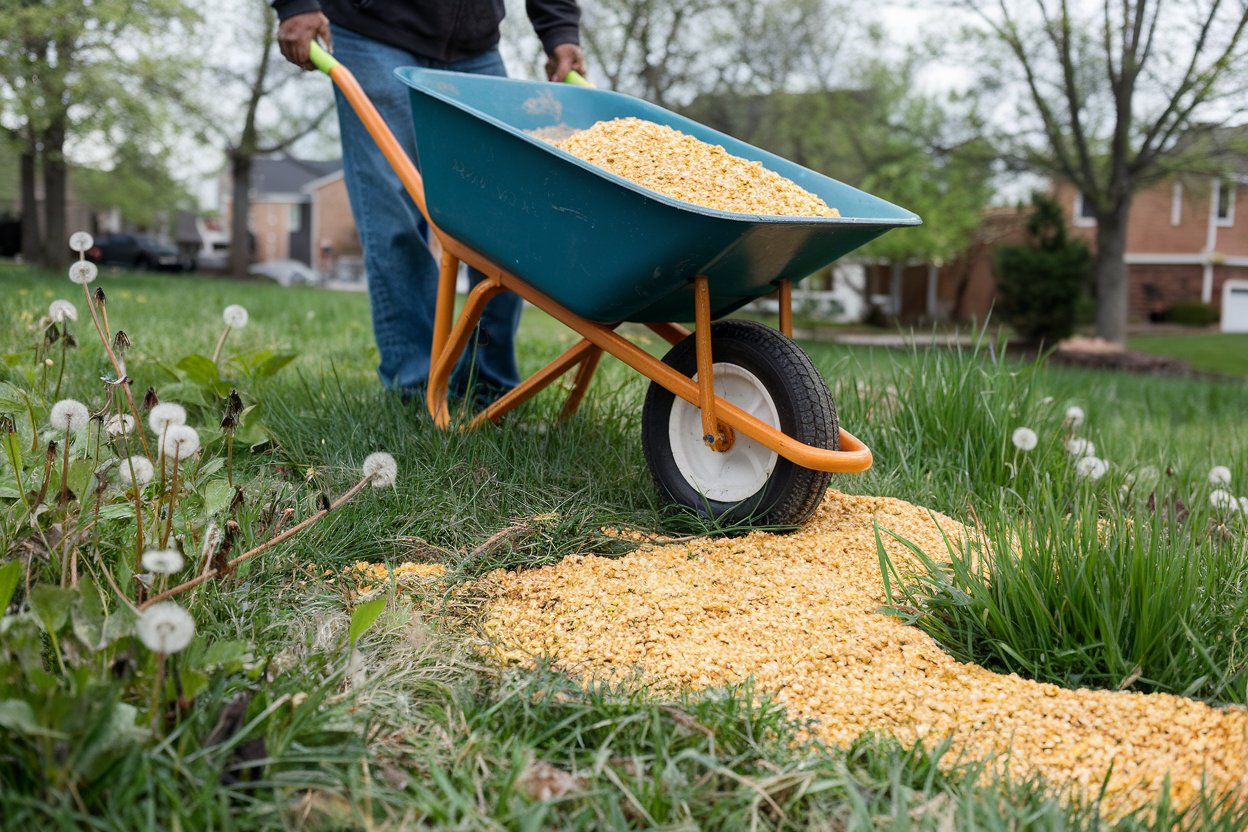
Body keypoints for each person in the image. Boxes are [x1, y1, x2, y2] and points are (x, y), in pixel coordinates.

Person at [273, 0, 586, 406]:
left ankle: (486, 387)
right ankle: (416, 387)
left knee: (507, 217)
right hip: (373, 29)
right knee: (393, 211)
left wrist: (560, 32)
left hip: (475, 47)